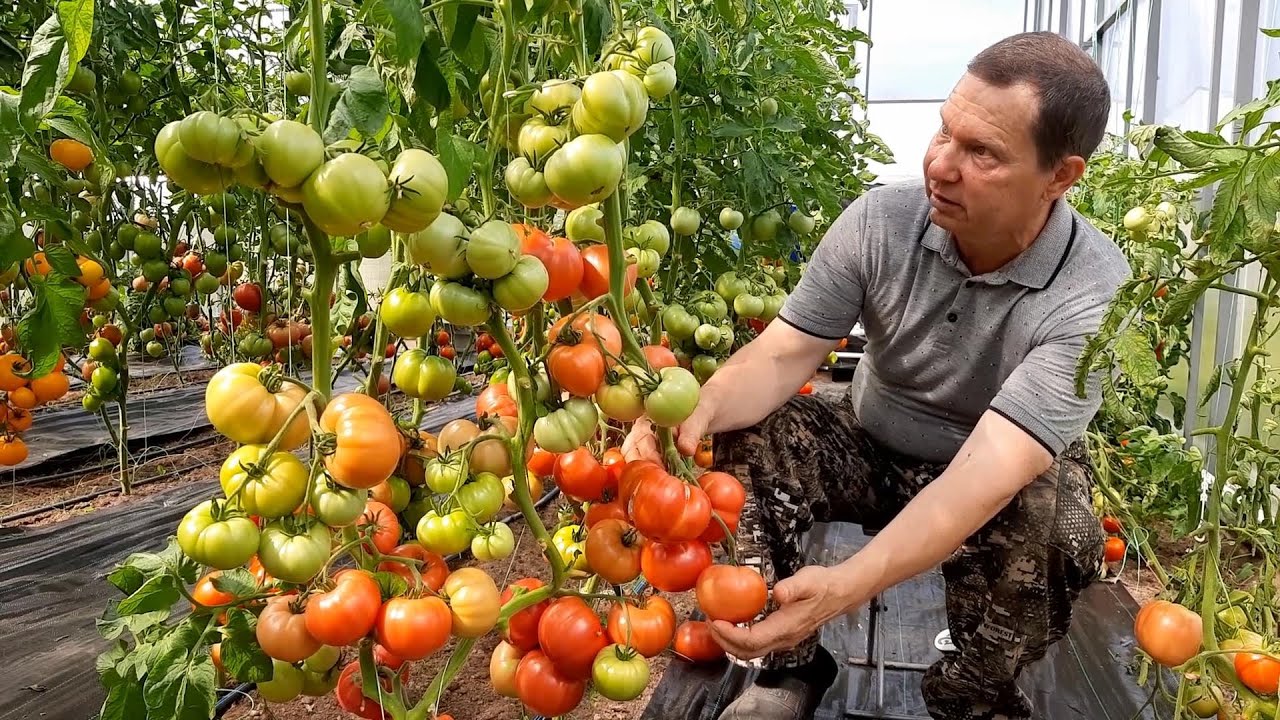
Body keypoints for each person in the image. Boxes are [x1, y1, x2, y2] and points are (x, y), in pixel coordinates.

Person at [623, 31, 1125, 720]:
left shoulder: (1092, 289)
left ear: (1061, 176)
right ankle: (786, 666)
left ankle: (970, 693)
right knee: (744, 435)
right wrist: (699, 410)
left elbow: (987, 472)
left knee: (1062, 527)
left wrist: (848, 585)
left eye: (982, 154)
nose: (940, 166)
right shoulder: (881, 223)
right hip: (866, 440)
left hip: (987, 472)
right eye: (945, 131)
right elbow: (781, 355)